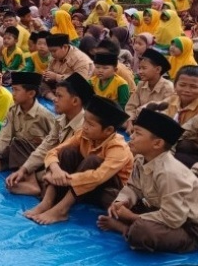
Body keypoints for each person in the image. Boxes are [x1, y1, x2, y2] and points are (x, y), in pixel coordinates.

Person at [98, 109, 198, 253]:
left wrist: (132, 217)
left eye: (137, 133)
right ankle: (131, 223)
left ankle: (125, 228)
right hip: (157, 209)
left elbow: (174, 218)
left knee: (142, 231)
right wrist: (122, 201)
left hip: (186, 226)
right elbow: (133, 187)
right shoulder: (141, 158)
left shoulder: (169, 173)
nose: (130, 136)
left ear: (157, 144)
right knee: (109, 195)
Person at [26, 96, 133, 225]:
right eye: (85, 121)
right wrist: (56, 170)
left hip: (107, 189)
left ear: (108, 130)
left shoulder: (119, 148)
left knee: (93, 161)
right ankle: (47, 201)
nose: (85, 127)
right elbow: (54, 152)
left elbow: (99, 176)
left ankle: (61, 210)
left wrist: (67, 179)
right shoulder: (83, 134)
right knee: (67, 152)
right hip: (81, 185)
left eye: (91, 124)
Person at [6, 73, 94, 197]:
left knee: (65, 155)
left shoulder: (85, 127)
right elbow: (46, 146)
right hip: (53, 162)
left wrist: (41, 172)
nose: (54, 99)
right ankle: (36, 181)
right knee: (19, 144)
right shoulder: (61, 120)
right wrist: (24, 170)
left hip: (68, 171)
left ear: (75, 101)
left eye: (59, 96)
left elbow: (73, 163)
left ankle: (40, 184)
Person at [0, 72, 56, 173]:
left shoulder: (44, 115)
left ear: (31, 94)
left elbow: (56, 141)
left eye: (16, 90)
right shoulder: (12, 111)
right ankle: (4, 162)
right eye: (12, 89)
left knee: (17, 143)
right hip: (17, 151)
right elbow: (4, 136)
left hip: (37, 155)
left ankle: (17, 168)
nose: (12, 93)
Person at [124, 49, 174, 132]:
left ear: (158, 70)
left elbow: (167, 115)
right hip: (139, 121)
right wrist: (129, 124)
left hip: (157, 125)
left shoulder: (168, 88)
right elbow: (130, 106)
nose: (140, 72)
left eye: (144, 68)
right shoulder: (141, 84)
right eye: (139, 68)